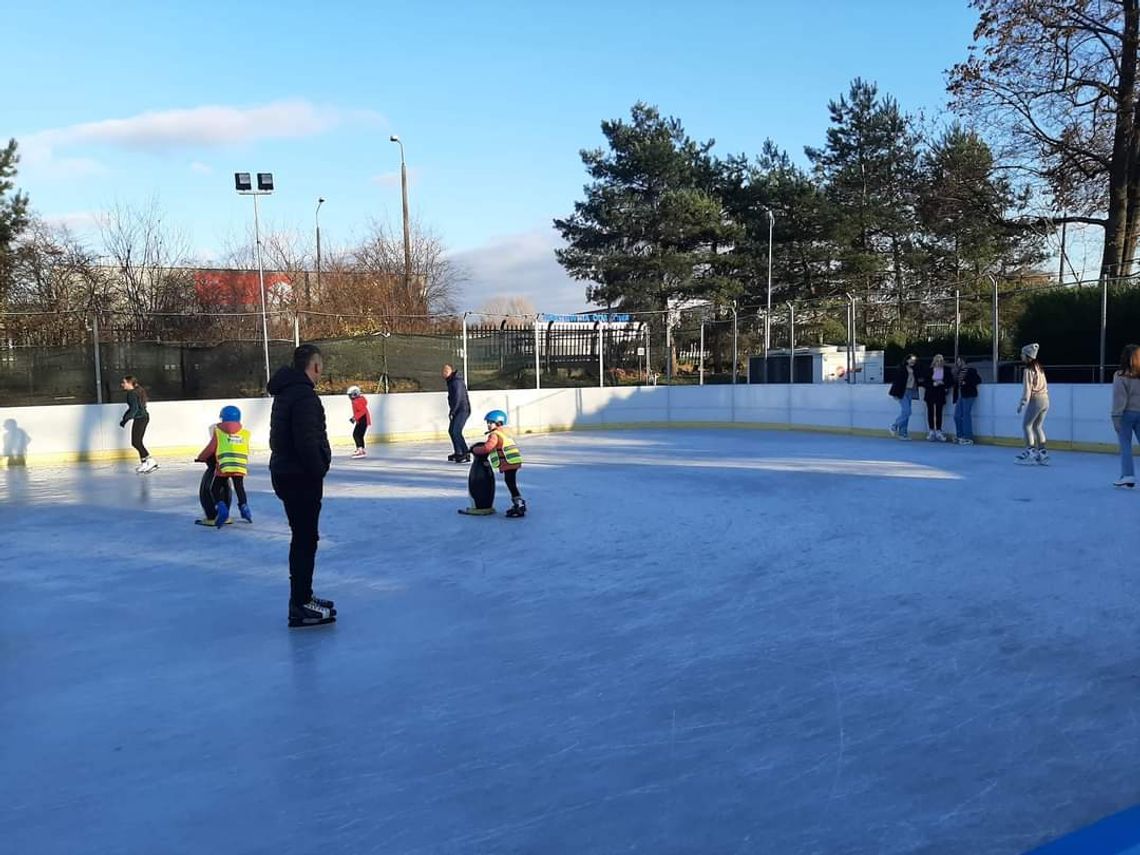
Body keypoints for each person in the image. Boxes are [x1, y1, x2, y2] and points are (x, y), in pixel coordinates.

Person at [269, 344, 335, 628]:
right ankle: (299, 604)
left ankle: (303, 596)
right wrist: (319, 468)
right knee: (305, 539)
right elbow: (307, 441)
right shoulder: (304, 397)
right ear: (315, 366)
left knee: (304, 537)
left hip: (286, 472)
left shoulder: (286, 392)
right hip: (300, 477)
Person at [194, 405, 252, 527]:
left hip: (224, 467)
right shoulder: (245, 433)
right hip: (240, 466)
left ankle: (221, 508)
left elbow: (210, 449)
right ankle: (244, 506)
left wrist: (201, 457)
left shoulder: (219, 432)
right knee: (239, 488)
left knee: (214, 488)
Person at [471, 409, 526, 517]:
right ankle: (518, 503)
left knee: (511, 484)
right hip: (512, 463)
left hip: (508, 463)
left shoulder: (494, 435)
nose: (488, 425)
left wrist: (474, 450)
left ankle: (519, 504)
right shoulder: (504, 433)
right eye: (487, 422)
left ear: (498, 423)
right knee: (511, 483)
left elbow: (487, 448)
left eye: (490, 422)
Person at [1111, 343, 1140, 487]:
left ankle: (1128, 475)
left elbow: (1120, 398)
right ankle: (1126, 475)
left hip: (1126, 414)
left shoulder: (1120, 375)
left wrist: (1116, 416)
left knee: (1126, 446)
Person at [1016, 342, 1050, 465]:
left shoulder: (1028, 370)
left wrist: (1022, 404)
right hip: (1045, 399)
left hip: (1036, 399)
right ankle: (1043, 453)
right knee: (1037, 426)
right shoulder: (1039, 368)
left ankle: (1031, 452)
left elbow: (1027, 389)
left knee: (1027, 426)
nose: (1021, 356)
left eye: (1022, 354)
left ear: (1028, 356)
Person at [119, 376, 157, 473]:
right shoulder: (137, 391)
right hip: (141, 418)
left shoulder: (132, 393)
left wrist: (125, 420)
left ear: (129, 383)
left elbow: (134, 409)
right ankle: (144, 463)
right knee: (137, 442)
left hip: (141, 418)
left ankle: (150, 461)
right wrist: (125, 417)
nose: (122, 385)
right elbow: (133, 408)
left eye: (124, 383)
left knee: (136, 442)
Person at [443, 363, 471, 463]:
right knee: (452, 430)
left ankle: (465, 453)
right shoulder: (451, 381)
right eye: (443, 371)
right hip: (458, 409)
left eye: (446, 371)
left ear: (451, 371)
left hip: (462, 410)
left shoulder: (456, 382)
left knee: (456, 431)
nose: (444, 373)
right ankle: (458, 452)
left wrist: (453, 411)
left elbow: (458, 398)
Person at [887, 354, 919, 441]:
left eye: (914, 360)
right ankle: (894, 426)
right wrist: (895, 394)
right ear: (907, 360)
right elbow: (897, 382)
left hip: (910, 391)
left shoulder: (914, 369)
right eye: (911, 360)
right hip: (902, 392)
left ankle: (903, 433)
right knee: (907, 411)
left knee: (906, 413)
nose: (913, 361)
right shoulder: (901, 369)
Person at [952, 357, 982, 446]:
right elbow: (955, 383)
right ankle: (960, 435)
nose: (957, 363)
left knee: (966, 414)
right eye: (957, 361)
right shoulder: (958, 372)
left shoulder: (971, 370)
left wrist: (966, 382)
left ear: (963, 361)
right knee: (957, 415)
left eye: (959, 361)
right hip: (960, 394)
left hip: (969, 394)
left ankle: (968, 436)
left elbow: (978, 380)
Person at [922, 354, 950, 442]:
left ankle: (938, 431)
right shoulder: (928, 370)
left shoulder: (945, 370)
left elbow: (950, 381)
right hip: (930, 393)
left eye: (940, 361)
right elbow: (924, 382)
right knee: (930, 412)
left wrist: (943, 383)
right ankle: (931, 431)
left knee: (939, 412)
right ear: (934, 361)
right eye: (937, 360)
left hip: (940, 393)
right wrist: (932, 384)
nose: (938, 362)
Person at [347, 385, 371, 459]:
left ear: (355, 394)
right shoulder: (358, 400)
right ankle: (362, 450)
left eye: (351, 395)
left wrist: (354, 418)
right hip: (363, 420)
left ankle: (360, 449)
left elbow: (363, 411)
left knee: (356, 434)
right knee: (359, 435)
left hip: (362, 420)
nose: (350, 397)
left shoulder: (357, 401)